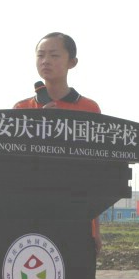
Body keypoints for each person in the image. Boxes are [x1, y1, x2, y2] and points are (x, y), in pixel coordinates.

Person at [13, 32, 103, 254]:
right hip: (31, 211)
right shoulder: (22, 109)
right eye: (40, 55)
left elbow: (94, 172)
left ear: (72, 62)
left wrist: (96, 228)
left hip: (77, 212)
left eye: (54, 55)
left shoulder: (89, 109)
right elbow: (13, 164)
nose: (45, 61)